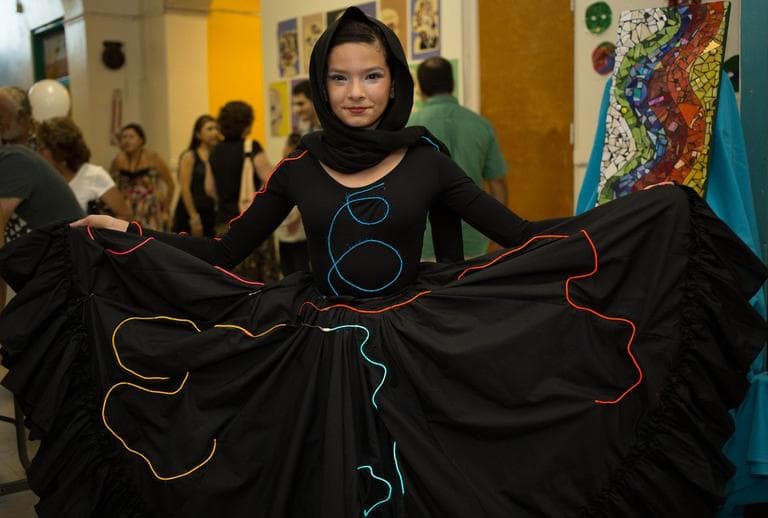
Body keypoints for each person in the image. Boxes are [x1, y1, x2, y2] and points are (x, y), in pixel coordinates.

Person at [0, 8, 764, 517]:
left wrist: (648, 211)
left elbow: (517, 235)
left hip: (418, 346)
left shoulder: (426, 157)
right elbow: (225, 253)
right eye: (339, 78)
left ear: (394, 80)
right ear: (320, 87)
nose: (355, 92)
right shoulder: (298, 166)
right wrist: (121, 232)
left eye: (370, 77)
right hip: (312, 352)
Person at [409, 56, 509, 259]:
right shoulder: (481, 125)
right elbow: (497, 184)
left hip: (421, 238)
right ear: (452, 84)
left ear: (419, 88)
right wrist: (500, 234)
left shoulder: (408, 127)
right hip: (474, 235)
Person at [210, 100, 280, 281]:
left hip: (224, 222)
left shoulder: (215, 150)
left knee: (231, 278)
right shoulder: (251, 147)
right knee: (258, 278)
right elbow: (269, 179)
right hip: (251, 222)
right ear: (246, 123)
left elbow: (209, 188)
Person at [36, 116, 131, 220]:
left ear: (57, 150)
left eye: (42, 148)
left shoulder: (94, 175)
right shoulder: (46, 179)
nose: (38, 153)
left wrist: (98, 234)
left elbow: (125, 214)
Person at [109, 123, 175, 231]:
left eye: (131, 137)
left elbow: (170, 185)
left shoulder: (153, 158)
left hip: (150, 209)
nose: (127, 140)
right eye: (124, 137)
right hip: (127, 209)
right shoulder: (118, 160)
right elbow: (110, 185)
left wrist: (166, 210)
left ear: (141, 140)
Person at [173, 115, 219, 237]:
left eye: (216, 129)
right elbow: (185, 189)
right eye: (209, 129)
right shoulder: (190, 156)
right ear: (198, 134)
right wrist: (194, 218)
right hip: (191, 211)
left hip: (211, 212)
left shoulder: (218, 154)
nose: (214, 133)